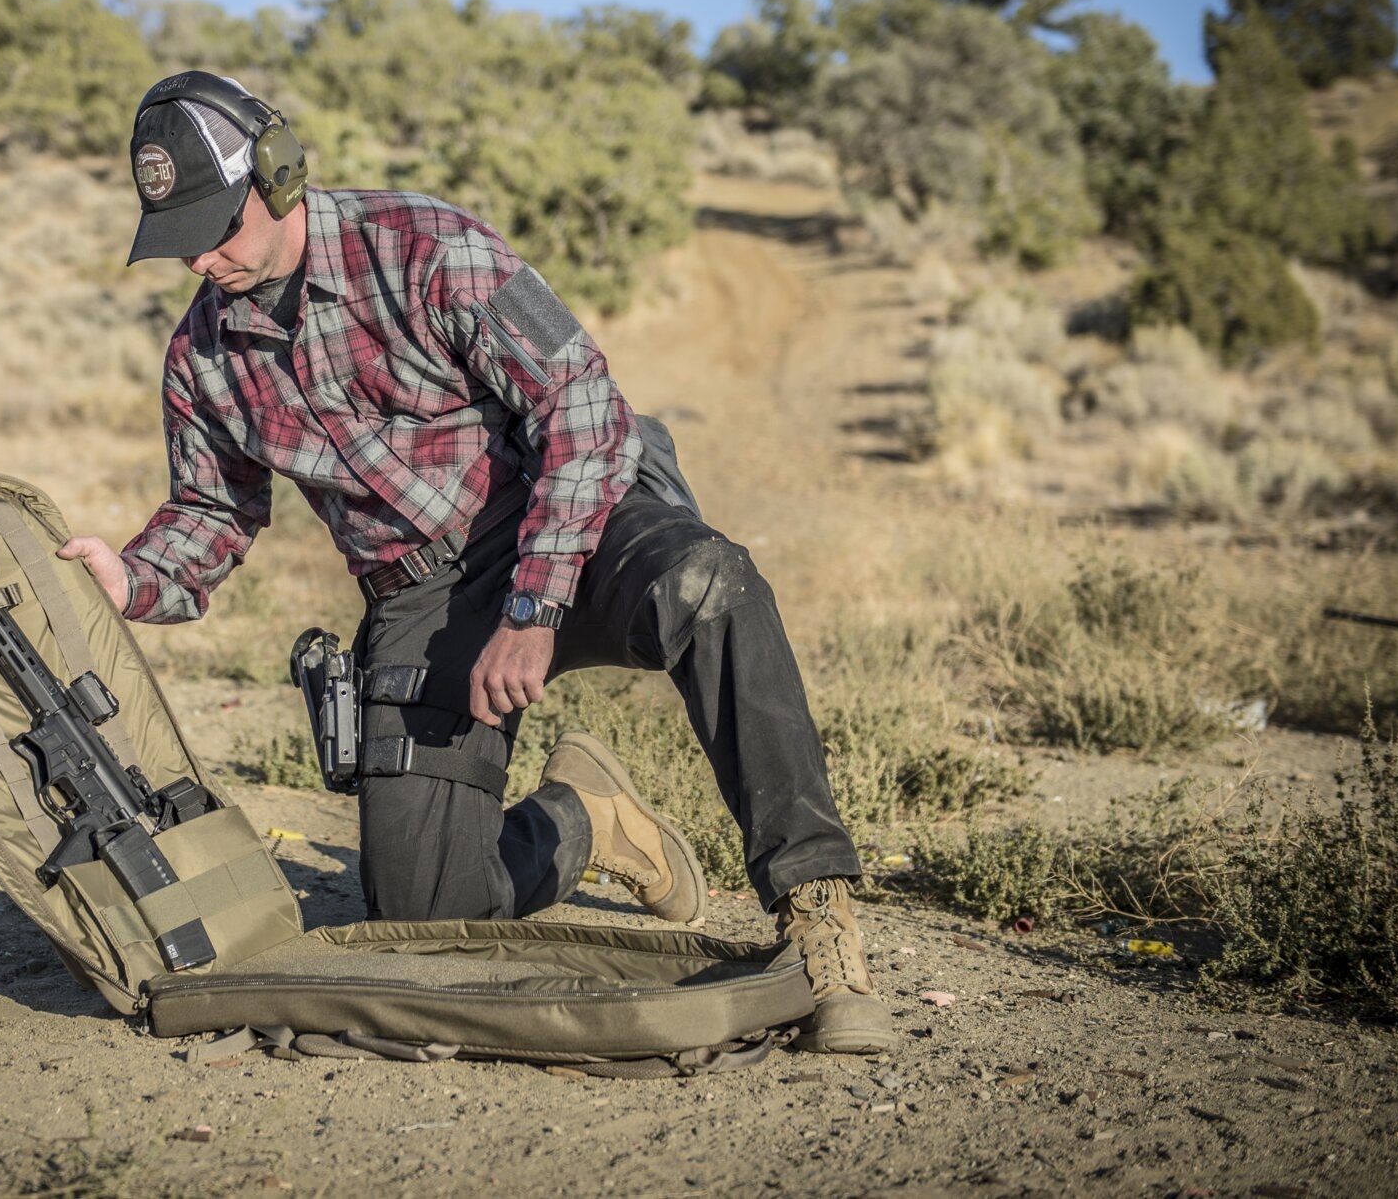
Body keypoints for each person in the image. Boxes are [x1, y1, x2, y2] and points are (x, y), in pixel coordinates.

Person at [59, 71, 892, 1054]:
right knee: (425, 919)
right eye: (180, 239)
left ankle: (819, 917)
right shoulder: (200, 359)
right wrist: (133, 579)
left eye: (217, 226)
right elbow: (213, 512)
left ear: (277, 177)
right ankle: (585, 820)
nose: (202, 258)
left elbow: (580, 407)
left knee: (710, 584)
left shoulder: (426, 247)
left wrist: (532, 611)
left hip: (565, 514)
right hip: (420, 592)